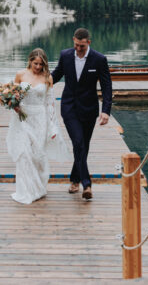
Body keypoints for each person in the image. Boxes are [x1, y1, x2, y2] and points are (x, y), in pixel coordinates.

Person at [51, 27, 112, 200]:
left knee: (83, 145)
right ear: (73, 41)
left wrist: (106, 111)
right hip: (69, 107)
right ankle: (87, 184)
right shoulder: (65, 55)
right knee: (78, 143)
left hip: (89, 109)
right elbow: (56, 75)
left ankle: (74, 179)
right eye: (76, 45)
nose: (78, 49)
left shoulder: (99, 59)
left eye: (82, 46)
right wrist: (36, 81)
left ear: (88, 43)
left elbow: (107, 86)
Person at [5, 48, 65, 204]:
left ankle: (38, 187)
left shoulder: (48, 78)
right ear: (30, 61)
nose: (38, 67)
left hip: (39, 118)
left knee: (37, 154)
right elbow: (12, 94)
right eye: (35, 63)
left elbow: (50, 103)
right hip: (22, 118)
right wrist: (14, 104)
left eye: (40, 64)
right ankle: (25, 190)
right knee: (24, 153)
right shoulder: (20, 75)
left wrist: (52, 126)